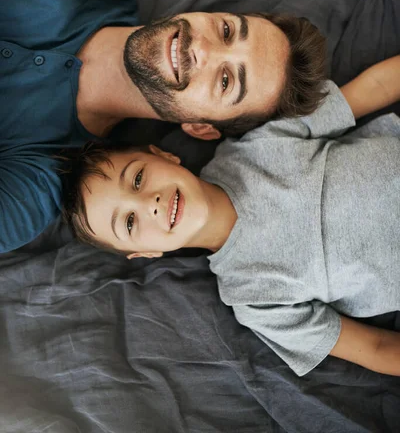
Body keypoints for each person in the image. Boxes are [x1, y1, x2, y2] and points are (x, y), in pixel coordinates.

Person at [0, 0, 326, 252]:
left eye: (225, 81)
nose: (203, 50)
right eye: (227, 31)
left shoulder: (43, 179)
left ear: (201, 127)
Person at [62, 55, 400, 377]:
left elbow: (375, 88)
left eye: (137, 178)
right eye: (130, 222)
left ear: (163, 155)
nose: (150, 203)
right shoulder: (252, 297)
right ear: (147, 254)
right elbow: (376, 347)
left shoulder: (259, 139)